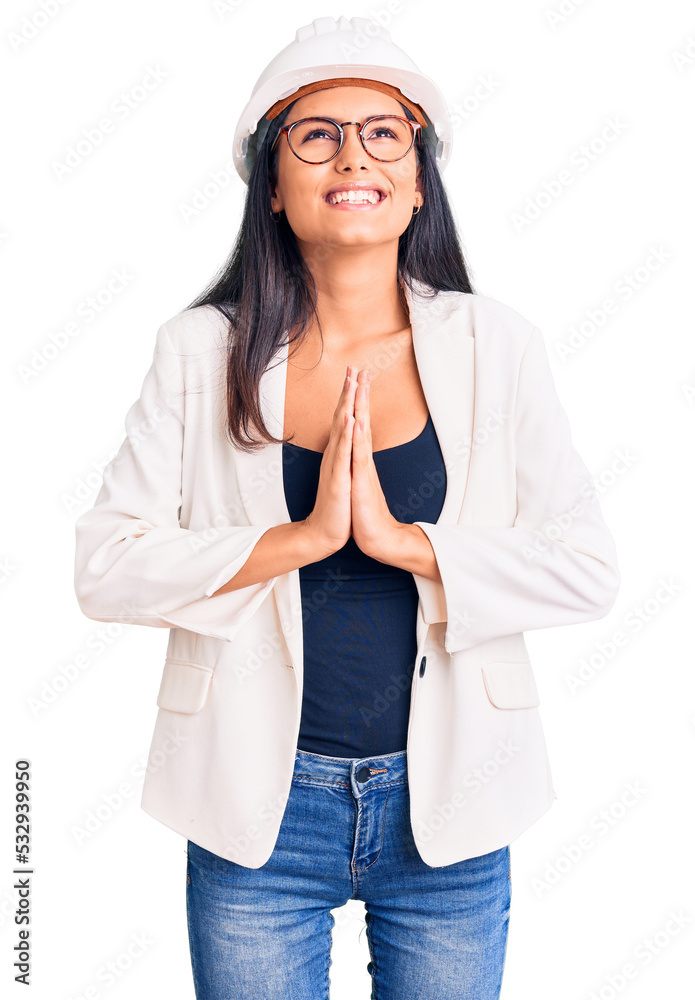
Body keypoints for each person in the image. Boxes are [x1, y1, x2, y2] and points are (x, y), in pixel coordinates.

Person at [73, 16, 621, 1000]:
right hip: (256, 804)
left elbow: (585, 565)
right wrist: (299, 540)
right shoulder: (201, 352)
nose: (351, 154)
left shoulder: (497, 346)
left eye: (383, 132)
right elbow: (106, 566)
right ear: (271, 186)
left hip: (448, 800)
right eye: (314, 133)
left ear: (416, 182)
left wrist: (405, 544)